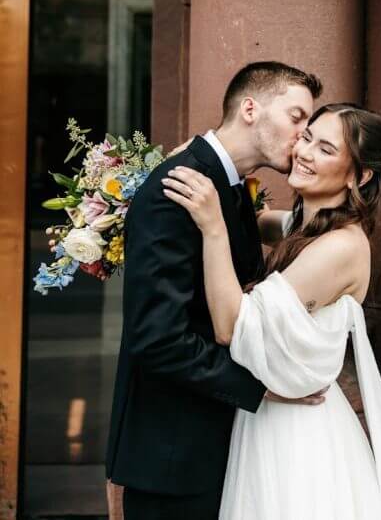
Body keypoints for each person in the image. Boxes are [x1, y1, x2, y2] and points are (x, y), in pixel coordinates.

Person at [161, 102, 381, 519]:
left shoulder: (339, 248)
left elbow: (232, 327)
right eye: (306, 137)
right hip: (273, 418)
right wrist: (206, 161)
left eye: (325, 148)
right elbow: (260, 222)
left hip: (297, 439)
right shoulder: (306, 228)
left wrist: (213, 227)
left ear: (360, 175)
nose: (304, 152)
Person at [106, 61, 325, 518]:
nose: (303, 135)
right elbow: (157, 338)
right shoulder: (180, 187)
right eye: (297, 117)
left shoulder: (228, 186)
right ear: (250, 108)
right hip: (174, 460)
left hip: (208, 450)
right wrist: (261, 386)